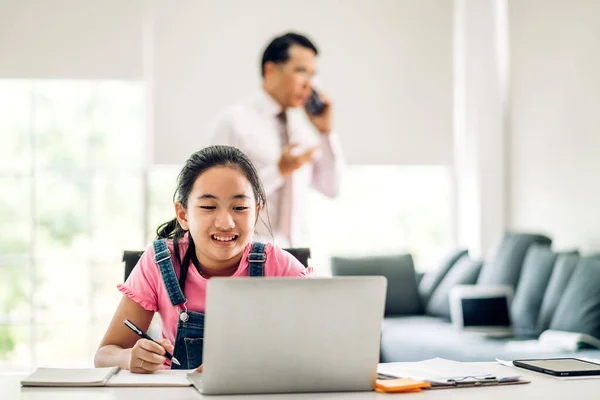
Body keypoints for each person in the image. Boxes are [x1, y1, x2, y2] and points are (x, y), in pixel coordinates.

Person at [94, 145, 313, 373]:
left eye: (239, 207)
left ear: (256, 212)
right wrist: (130, 357)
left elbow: (317, 349)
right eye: (208, 207)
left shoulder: (281, 267)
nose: (225, 222)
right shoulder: (159, 263)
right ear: (183, 215)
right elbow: (104, 354)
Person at [208, 32, 344, 248]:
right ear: (270, 70)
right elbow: (215, 196)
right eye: (301, 71)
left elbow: (331, 188)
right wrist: (279, 171)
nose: (309, 84)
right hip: (247, 255)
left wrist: (326, 132)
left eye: (312, 75)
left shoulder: (304, 130)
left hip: (295, 256)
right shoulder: (234, 121)